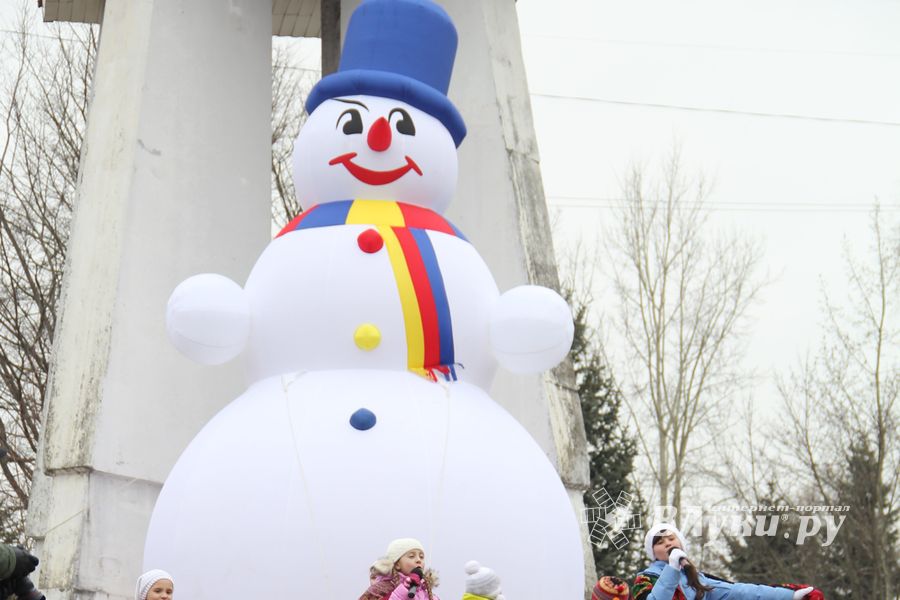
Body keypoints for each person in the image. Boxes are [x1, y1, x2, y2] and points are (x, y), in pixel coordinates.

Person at [632, 523, 821, 600]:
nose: (667, 543)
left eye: (671, 538)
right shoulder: (645, 580)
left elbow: (740, 592)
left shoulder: (696, 579)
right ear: (653, 552)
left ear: (681, 543)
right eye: (660, 542)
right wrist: (672, 569)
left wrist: (789, 595)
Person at [360, 538, 440, 600]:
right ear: (397, 564)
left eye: (421, 557)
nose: (419, 560)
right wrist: (403, 591)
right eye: (411, 556)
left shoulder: (429, 595)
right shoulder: (380, 589)